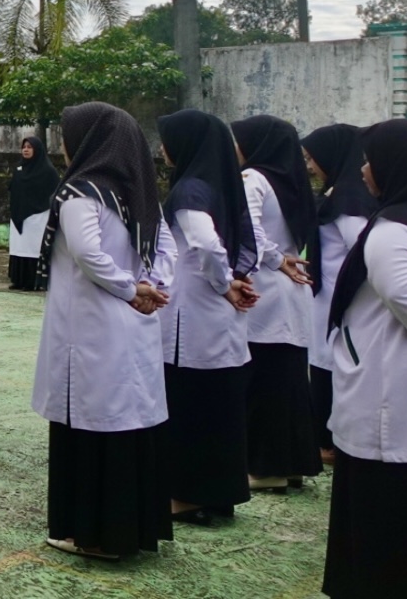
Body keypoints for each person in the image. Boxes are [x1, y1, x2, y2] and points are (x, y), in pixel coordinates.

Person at [322, 120, 407, 599]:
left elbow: (403, 292)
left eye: (371, 160)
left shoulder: (395, 227)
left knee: (392, 525)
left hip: (396, 396)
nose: (363, 170)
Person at [32, 101, 170, 561]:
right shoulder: (137, 194)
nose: (63, 145)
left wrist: (131, 289)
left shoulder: (80, 194)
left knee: (89, 428)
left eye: (67, 135)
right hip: (130, 324)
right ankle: (127, 530)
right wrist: (152, 287)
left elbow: (88, 253)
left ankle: (91, 534)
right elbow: (165, 247)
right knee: (123, 427)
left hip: (90, 330)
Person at [156, 109, 260, 523]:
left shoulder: (190, 190)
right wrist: (230, 282)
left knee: (192, 407)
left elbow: (204, 242)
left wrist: (223, 283)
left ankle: (188, 496)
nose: (162, 147)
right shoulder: (220, 185)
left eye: (167, 139)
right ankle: (217, 494)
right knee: (219, 407)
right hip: (214, 318)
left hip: (193, 318)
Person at [231, 115, 322, 491]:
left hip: (267, 286)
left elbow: (247, 227)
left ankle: (266, 467)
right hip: (291, 288)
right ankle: (292, 464)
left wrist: (273, 257)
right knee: (290, 381)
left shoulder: (253, 179)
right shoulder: (292, 182)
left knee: (264, 381)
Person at [301, 124, 377, 466]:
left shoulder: (347, 199)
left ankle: (330, 442)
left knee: (331, 364)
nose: (310, 166)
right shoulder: (339, 193)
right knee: (323, 362)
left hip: (338, 298)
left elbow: (361, 250)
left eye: (312, 158)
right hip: (326, 296)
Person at [8, 136, 59, 290]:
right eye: (24, 147)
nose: (26, 150)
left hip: (38, 216)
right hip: (19, 215)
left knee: (33, 248)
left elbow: (54, 193)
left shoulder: (48, 171)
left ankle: (33, 281)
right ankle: (19, 280)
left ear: (37, 150)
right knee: (19, 247)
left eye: (30, 147)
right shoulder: (19, 169)